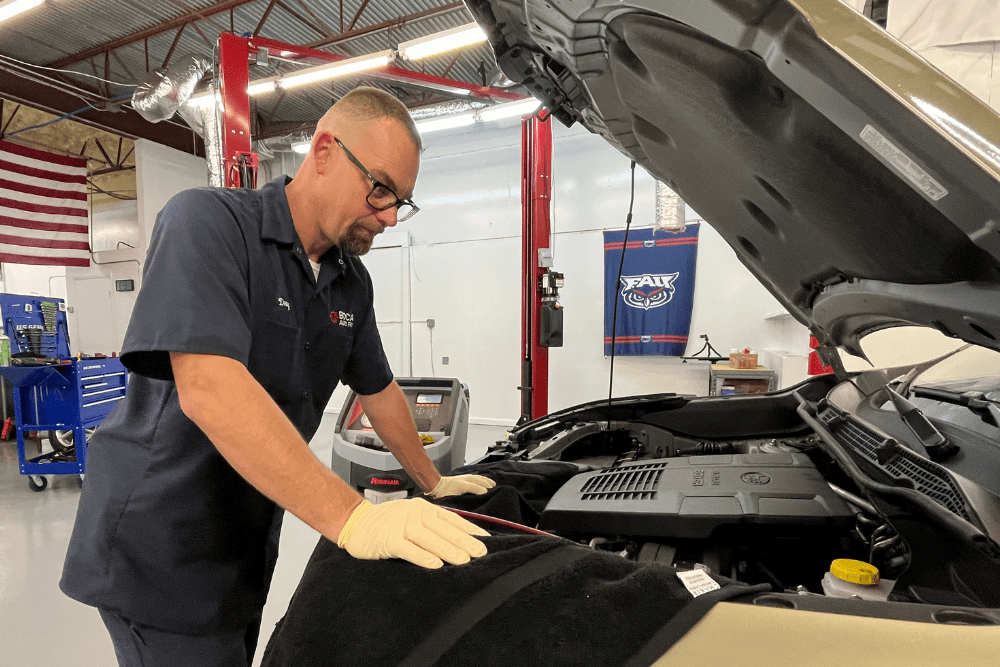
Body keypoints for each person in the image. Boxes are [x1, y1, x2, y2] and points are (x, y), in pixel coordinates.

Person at [60, 86, 495, 667]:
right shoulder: (207, 224)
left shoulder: (350, 283)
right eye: (380, 189)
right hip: (160, 545)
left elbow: (379, 390)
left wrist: (432, 481)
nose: (390, 216)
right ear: (324, 152)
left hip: (244, 539)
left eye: (402, 202)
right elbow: (210, 388)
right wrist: (355, 518)